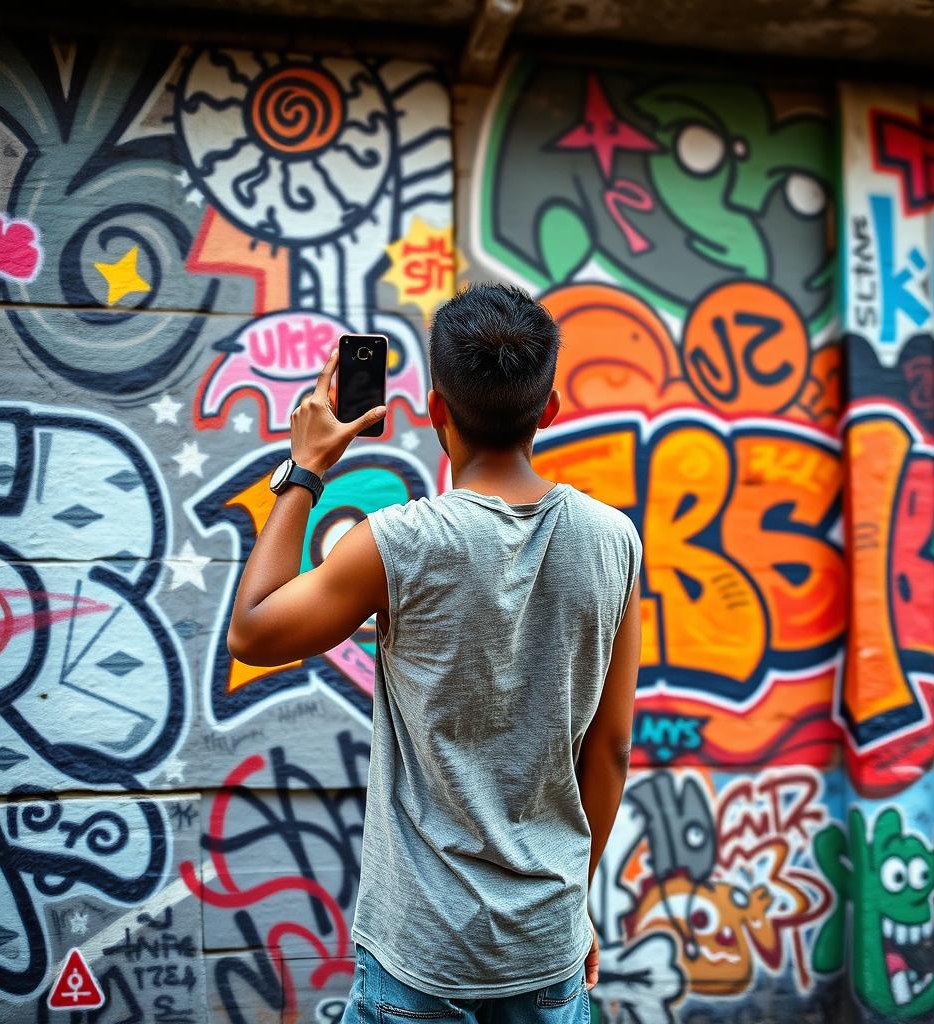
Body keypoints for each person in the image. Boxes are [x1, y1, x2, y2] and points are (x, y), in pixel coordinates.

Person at [226, 283, 643, 1022]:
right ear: (548, 412)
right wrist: (574, 906)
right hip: (547, 949)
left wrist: (306, 468)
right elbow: (609, 751)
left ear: (436, 409)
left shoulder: (399, 543)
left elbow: (252, 632)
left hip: (422, 960)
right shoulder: (614, 540)